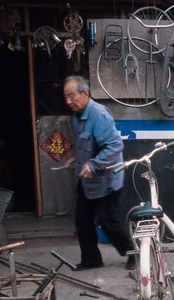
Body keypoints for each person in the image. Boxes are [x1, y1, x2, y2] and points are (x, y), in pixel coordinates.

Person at [62, 75, 134, 270]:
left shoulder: (98, 114)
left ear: (85, 94)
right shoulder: (78, 116)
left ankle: (133, 253)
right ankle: (91, 259)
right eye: (66, 97)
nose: (69, 102)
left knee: (107, 220)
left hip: (106, 179)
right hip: (88, 181)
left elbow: (114, 146)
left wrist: (93, 165)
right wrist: (76, 160)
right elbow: (86, 145)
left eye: (72, 96)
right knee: (82, 220)